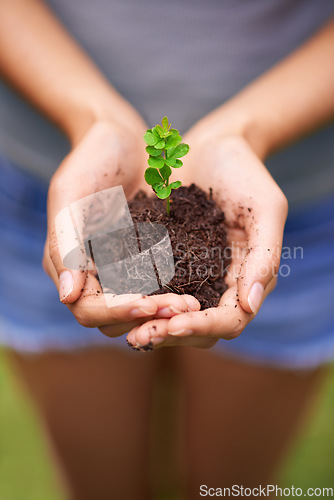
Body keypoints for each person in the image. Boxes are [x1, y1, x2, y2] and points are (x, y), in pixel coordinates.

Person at [0, 0, 333, 498]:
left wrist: (246, 128)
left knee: (229, 487)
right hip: (69, 192)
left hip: (287, 201)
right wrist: (93, 118)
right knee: (101, 484)